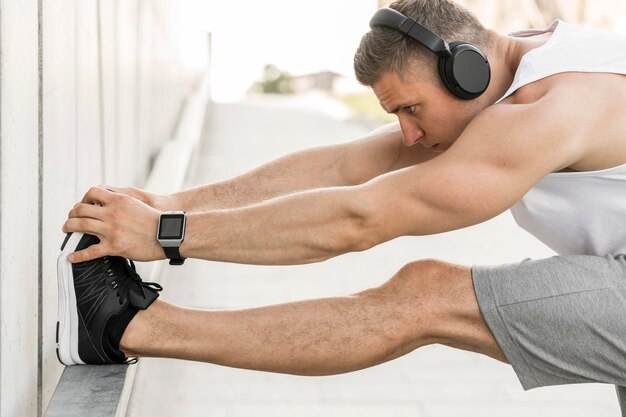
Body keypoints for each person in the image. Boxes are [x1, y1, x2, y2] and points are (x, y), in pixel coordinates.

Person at [58, 0, 626, 413]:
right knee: (423, 292)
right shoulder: (515, 63)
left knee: (425, 296)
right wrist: (172, 202)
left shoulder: (550, 106)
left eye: (410, 108)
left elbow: (360, 218)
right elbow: (341, 167)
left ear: (466, 70)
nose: (407, 134)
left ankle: (130, 328)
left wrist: (167, 234)